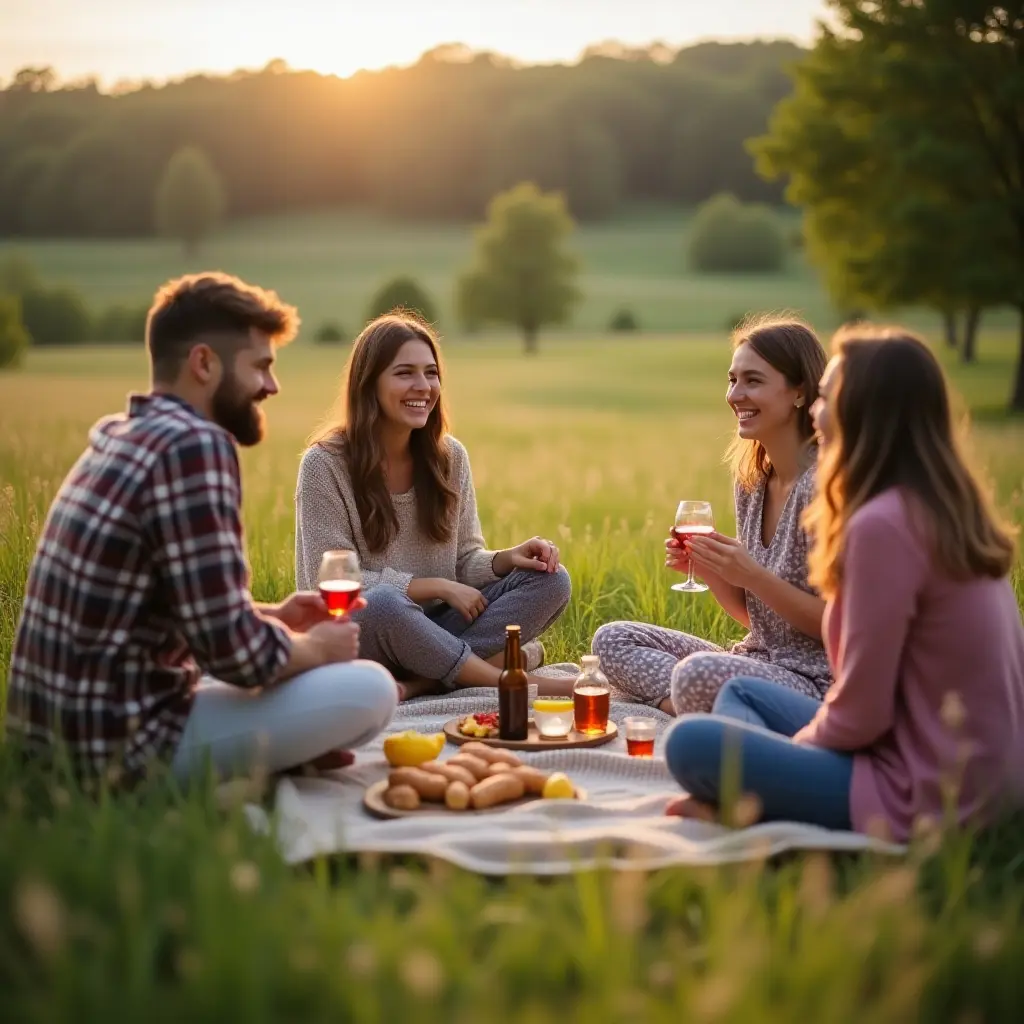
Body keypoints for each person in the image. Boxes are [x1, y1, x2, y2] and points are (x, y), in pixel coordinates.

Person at [5, 272, 398, 786]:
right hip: (112, 748)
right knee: (370, 690)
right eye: (260, 366)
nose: (271, 386)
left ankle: (270, 747)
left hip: (49, 737)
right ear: (204, 363)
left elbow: (167, 608)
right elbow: (236, 657)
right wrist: (316, 649)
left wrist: (269, 616)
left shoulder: (122, 434)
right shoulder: (195, 445)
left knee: (296, 687)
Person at [664, 325, 1024, 840]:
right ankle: (747, 788)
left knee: (691, 745)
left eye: (827, 397)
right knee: (742, 690)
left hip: (925, 791)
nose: (815, 412)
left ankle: (743, 806)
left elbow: (861, 715)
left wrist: (791, 763)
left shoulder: (881, 524)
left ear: (865, 410)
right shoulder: (939, 508)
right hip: (992, 777)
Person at [295, 313, 572, 698]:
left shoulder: (450, 457)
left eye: (431, 373)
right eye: (405, 373)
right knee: (387, 603)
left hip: (440, 629)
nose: (423, 386)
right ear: (369, 382)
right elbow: (330, 584)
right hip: (365, 631)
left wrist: (508, 559)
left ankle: (422, 681)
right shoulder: (324, 464)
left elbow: (464, 560)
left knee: (551, 579)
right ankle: (505, 675)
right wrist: (435, 586)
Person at [592, 317, 831, 715]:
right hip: (758, 661)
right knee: (612, 639)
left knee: (699, 671)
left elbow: (837, 627)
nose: (735, 395)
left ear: (800, 392)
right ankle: (710, 704)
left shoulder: (822, 488)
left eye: (753, 381)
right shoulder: (752, 482)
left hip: (815, 680)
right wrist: (712, 570)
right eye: (732, 380)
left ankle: (701, 702)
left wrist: (753, 575)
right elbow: (759, 620)